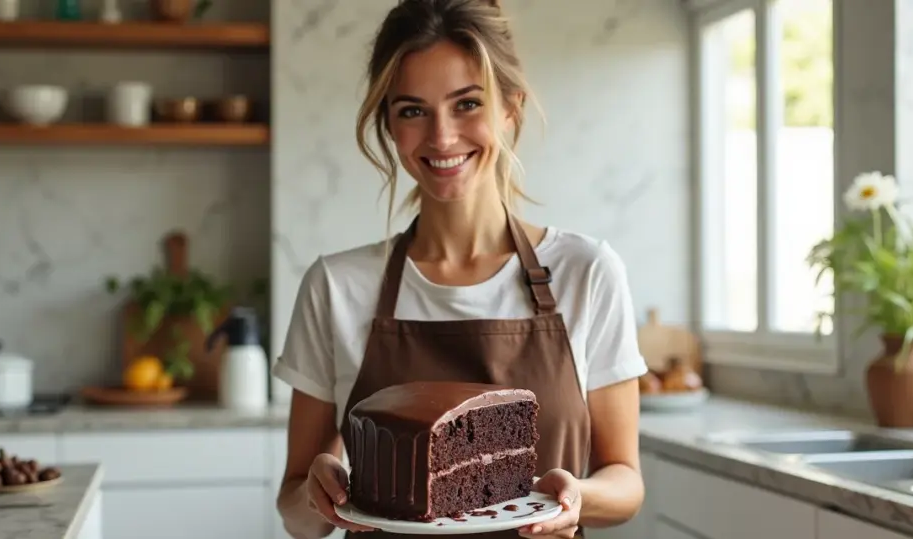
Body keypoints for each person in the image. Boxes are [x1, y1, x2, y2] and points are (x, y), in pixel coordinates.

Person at [273, 1, 648, 537]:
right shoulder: (335, 287)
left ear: (511, 108)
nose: (442, 137)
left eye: (467, 103)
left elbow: (627, 483)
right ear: (388, 123)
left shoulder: (586, 272)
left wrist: (575, 497)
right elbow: (293, 511)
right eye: (411, 110)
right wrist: (318, 497)